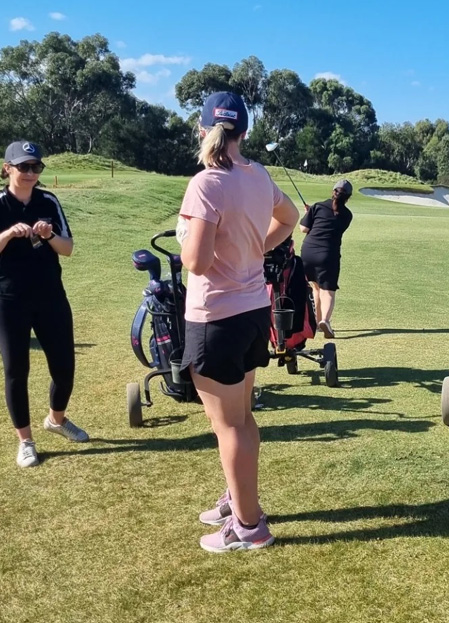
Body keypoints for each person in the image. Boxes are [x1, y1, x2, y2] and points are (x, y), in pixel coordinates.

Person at [178, 92, 299, 553]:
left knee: (229, 426)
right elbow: (289, 218)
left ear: (202, 129)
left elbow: (195, 261)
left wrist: (192, 236)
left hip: (217, 317)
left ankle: (249, 526)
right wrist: (254, 249)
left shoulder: (206, 183)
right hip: (250, 312)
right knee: (241, 419)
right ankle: (239, 498)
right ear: (244, 131)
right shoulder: (259, 175)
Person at [0, 141, 89, 468]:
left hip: (50, 295)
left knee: (64, 367)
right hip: (8, 299)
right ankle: (25, 441)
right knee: (16, 371)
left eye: (36, 167)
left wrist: (49, 235)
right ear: (7, 168)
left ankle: (56, 420)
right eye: (24, 167)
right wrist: (8, 234)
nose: (31, 173)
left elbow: (67, 249)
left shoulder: (48, 201)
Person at [299, 179, 354, 338]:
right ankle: (325, 320)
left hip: (308, 253)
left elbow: (303, 228)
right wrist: (312, 213)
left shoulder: (317, 206)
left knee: (316, 287)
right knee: (328, 291)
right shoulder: (347, 215)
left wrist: (309, 213)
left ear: (333, 191)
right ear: (348, 197)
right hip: (328, 255)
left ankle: (317, 323)